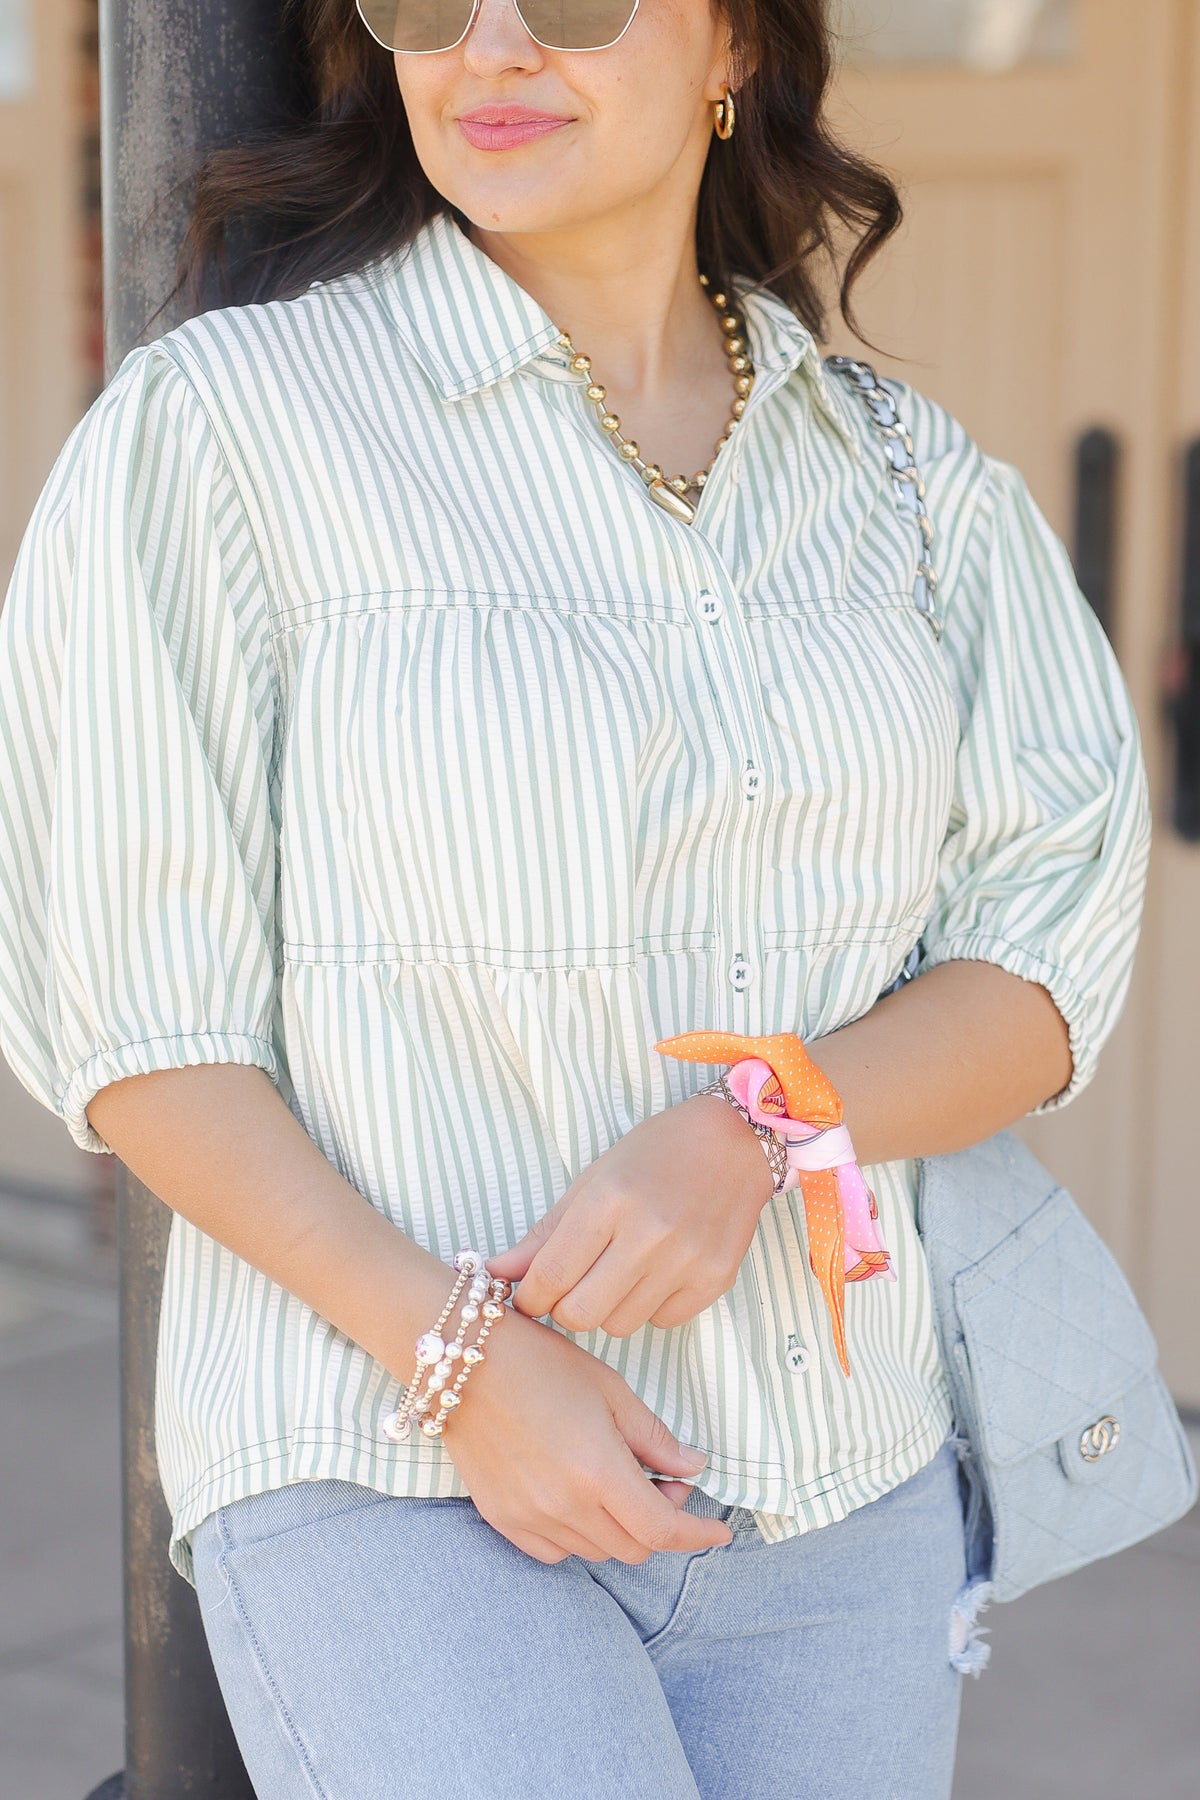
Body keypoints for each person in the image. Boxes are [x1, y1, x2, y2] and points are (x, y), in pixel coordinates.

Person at [0, 0, 1151, 1794]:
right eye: (430, 3)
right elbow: (142, 1024)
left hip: (830, 1488)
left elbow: (1045, 954)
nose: (492, 48)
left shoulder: (916, 491)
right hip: (389, 1469)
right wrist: (462, 1355)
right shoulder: (227, 435)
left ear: (734, 50)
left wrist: (764, 1125)